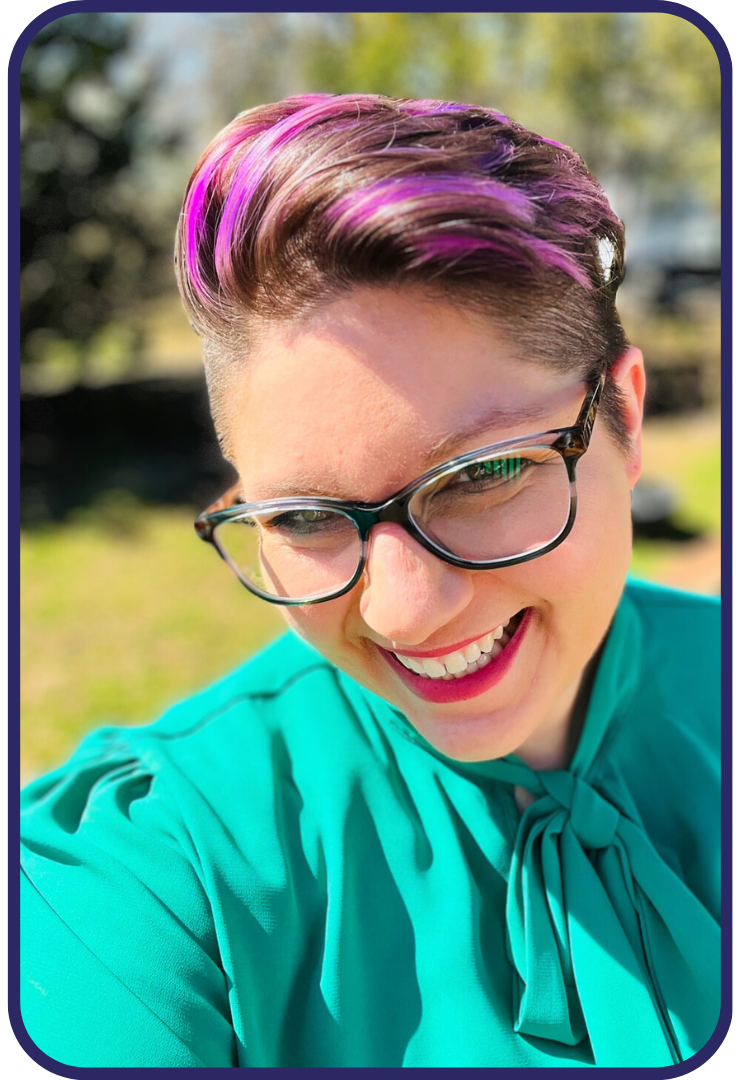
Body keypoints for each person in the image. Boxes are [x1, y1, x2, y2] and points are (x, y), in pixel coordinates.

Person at [20, 94, 720, 1068]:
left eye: (480, 475)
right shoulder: (152, 869)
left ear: (626, 417)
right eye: (304, 517)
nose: (402, 610)